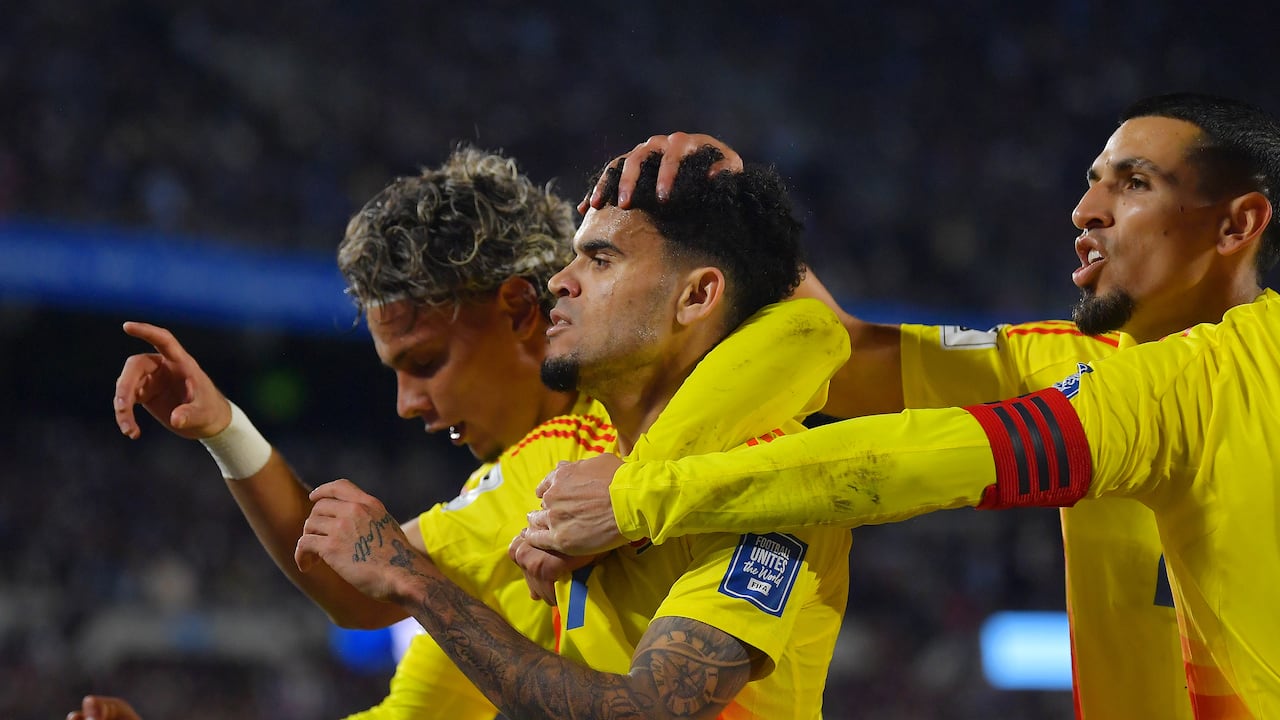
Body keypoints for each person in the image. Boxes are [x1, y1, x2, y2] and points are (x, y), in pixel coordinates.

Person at [529, 94, 1280, 717]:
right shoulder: (1068, 364)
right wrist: (734, 209)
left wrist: (637, 498)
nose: (1086, 210)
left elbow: (908, 462)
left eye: (1135, 184)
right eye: (1093, 182)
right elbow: (849, 353)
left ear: (1238, 224)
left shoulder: (1224, 372)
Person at [294, 147, 854, 718]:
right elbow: (356, 583)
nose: (560, 281)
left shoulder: (767, 483)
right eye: (574, 259)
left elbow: (651, 712)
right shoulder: (556, 458)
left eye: (601, 261)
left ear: (694, 296)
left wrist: (416, 585)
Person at [110, 145, 582, 720]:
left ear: (520, 310)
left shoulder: (585, 447)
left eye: (426, 361)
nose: (407, 404)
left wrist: (228, 431)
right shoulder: (514, 505)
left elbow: (356, 590)